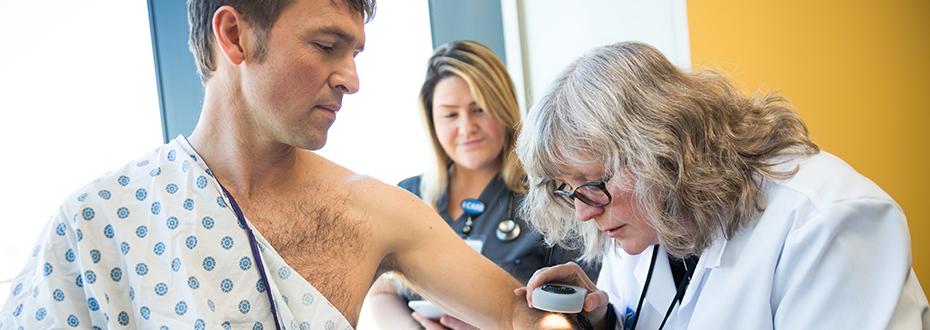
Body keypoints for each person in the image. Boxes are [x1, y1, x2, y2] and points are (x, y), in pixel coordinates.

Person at [0, 1, 581, 329]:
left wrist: (584, 315)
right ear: (234, 36)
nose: (351, 79)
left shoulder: (379, 211)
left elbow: (522, 320)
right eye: (327, 47)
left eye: (355, 53)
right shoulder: (98, 225)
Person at [515, 42, 930, 329]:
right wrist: (601, 320)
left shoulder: (824, 221)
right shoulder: (639, 221)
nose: (584, 210)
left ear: (662, 148)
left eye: (591, 183)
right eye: (569, 189)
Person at [367, 40, 600, 330]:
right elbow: (382, 290)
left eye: (478, 109)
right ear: (432, 122)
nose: (466, 128)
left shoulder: (553, 195)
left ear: (502, 109)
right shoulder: (408, 195)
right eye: (450, 115)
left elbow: (588, 306)